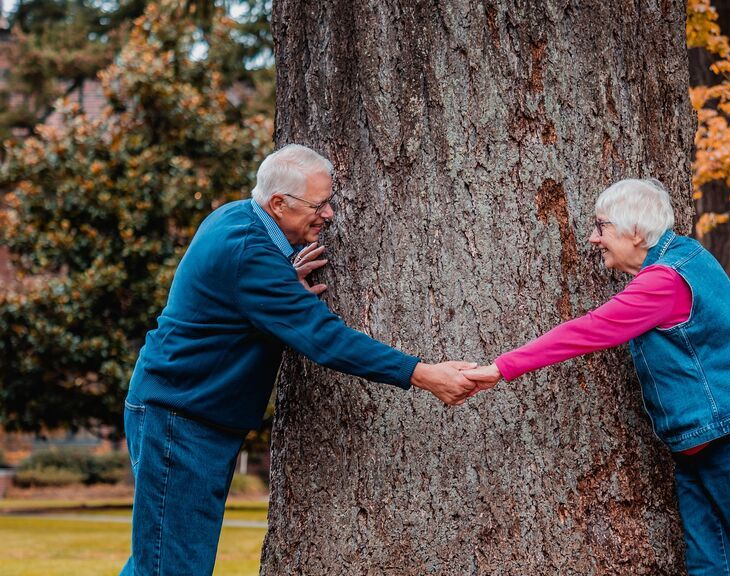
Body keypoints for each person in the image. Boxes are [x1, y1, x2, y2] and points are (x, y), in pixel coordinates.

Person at [120, 144, 476, 575]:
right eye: (319, 204)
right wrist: (421, 373)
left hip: (186, 412)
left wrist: (281, 290)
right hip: (180, 419)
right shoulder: (250, 251)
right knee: (172, 564)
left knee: (158, 554)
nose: (329, 214)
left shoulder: (238, 220)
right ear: (278, 204)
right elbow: (323, 338)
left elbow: (231, 300)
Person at [463, 178, 730, 575]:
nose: (593, 238)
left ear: (635, 231)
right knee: (712, 567)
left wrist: (500, 367)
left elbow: (588, 331)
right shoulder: (683, 256)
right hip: (704, 444)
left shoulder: (665, 280)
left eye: (602, 226)